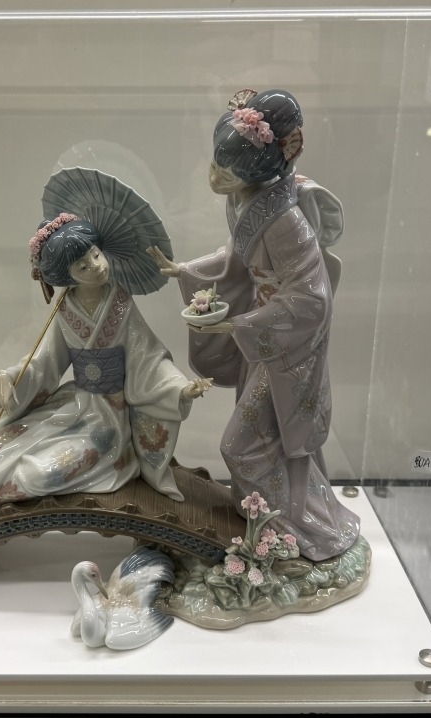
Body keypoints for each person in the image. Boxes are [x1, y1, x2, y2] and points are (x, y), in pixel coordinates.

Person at [0, 216, 211, 549]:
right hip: (70, 407)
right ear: (65, 275)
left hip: (107, 421)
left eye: (96, 255)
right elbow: (44, 362)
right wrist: (12, 378)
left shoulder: (121, 304)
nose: (96, 266)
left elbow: (149, 357)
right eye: (82, 266)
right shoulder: (65, 308)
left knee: (38, 472)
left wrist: (179, 388)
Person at [150, 89, 359, 562]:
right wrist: (186, 271)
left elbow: (312, 299)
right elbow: (235, 258)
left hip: (288, 345)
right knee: (274, 440)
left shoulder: (286, 221)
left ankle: (288, 527)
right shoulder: (253, 199)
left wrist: (239, 324)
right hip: (265, 336)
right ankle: (274, 521)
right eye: (214, 164)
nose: (214, 178)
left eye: (227, 173)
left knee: (242, 444)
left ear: (262, 170)